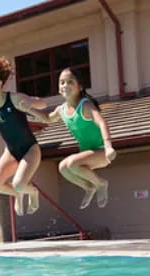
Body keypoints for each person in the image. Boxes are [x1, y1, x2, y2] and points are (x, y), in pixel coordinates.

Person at [0, 57, 49, 216]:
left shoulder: (14, 98)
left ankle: (32, 191)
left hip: (30, 149)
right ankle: (18, 194)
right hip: (11, 152)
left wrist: (29, 105)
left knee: (19, 184)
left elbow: (43, 103)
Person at [36, 68, 116, 209]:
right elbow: (48, 118)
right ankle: (89, 187)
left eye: (70, 82)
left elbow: (102, 122)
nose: (65, 85)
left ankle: (101, 183)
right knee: (63, 168)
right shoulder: (61, 109)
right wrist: (27, 109)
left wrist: (109, 146)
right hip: (87, 156)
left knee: (72, 163)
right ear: (59, 88)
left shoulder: (85, 105)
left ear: (80, 87)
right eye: (62, 82)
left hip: (102, 152)